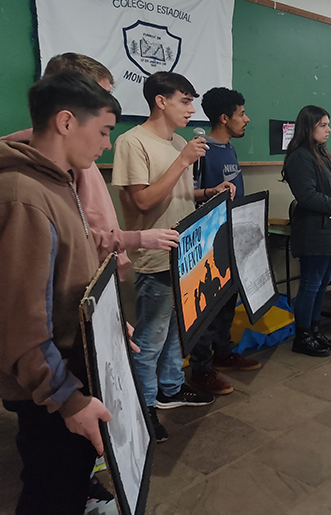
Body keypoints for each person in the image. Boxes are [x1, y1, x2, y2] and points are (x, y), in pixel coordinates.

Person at [0, 71, 119, 514]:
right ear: (66, 121)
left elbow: (69, 280)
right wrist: (69, 400)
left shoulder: (58, 180)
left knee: (67, 483)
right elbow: (21, 324)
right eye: (103, 131)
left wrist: (106, 326)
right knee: (51, 493)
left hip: (68, 373)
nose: (107, 144)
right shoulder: (24, 195)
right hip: (51, 389)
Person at [112, 72, 235, 442]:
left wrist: (208, 192)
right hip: (156, 258)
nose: (191, 109)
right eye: (185, 101)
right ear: (161, 101)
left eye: (191, 101)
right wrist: (182, 161)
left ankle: (170, 387)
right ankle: (144, 407)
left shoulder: (179, 141)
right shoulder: (132, 142)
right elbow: (143, 201)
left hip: (186, 254)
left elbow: (177, 194)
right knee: (150, 338)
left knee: (175, 334)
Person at [0, 53, 179, 278]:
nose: (107, 144)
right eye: (99, 97)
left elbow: (77, 233)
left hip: (97, 275)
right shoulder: (24, 188)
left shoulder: (76, 157)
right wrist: (136, 238)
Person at [188, 87, 262, 396]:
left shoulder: (229, 148)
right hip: (209, 241)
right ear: (223, 118)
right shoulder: (202, 151)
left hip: (233, 236)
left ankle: (223, 351)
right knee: (207, 306)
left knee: (228, 301)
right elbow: (190, 195)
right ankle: (201, 368)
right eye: (241, 114)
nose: (246, 119)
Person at [282, 105, 331, 354]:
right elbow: (308, 197)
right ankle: (302, 337)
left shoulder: (321, 154)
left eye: (328, 124)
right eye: (323, 125)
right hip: (314, 232)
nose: (328, 129)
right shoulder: (300, 157)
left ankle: (314, 331)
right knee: (310, 284)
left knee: (323, 283)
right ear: (308, 128)